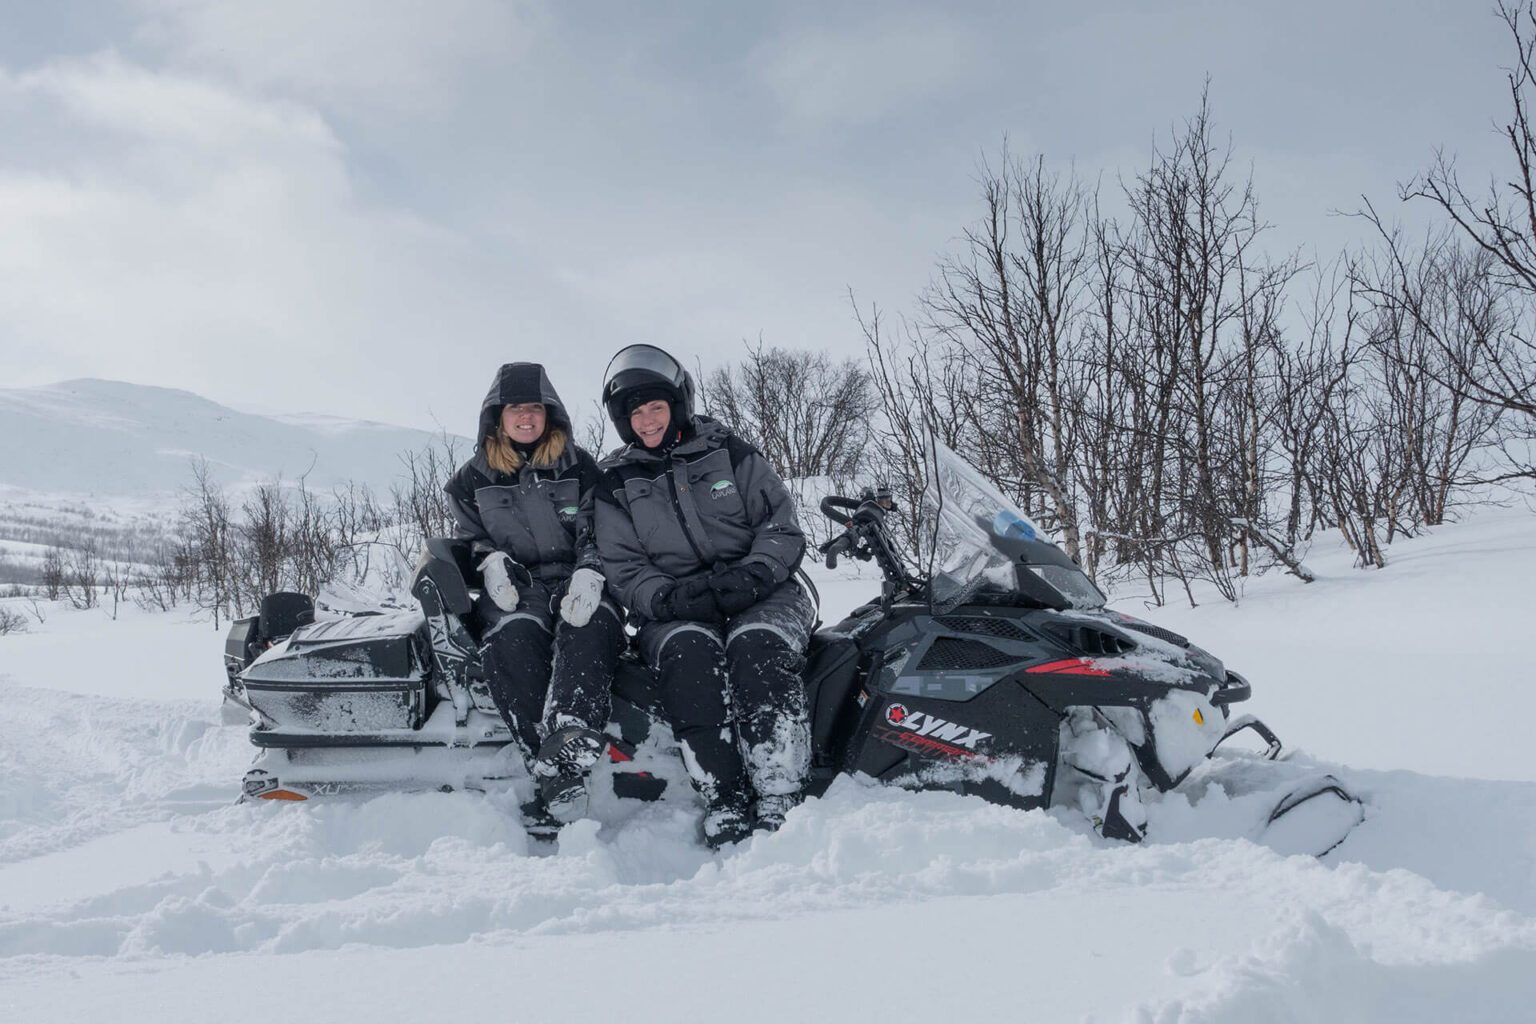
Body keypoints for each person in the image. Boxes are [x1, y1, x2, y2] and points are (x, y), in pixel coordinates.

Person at [593, 344, 814, 848]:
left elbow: (780, 525)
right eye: (636, 413)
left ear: (678, 404)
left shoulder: (730, 452)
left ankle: (778, 791)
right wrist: (668, 600)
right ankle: (725, 795)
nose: (647, 421)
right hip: (675, 608)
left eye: (656, 407)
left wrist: (756, 573)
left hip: (764, 592)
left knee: (756, 646)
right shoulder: (615, 482)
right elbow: (623, 566)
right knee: (690, 656)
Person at [444, 363, 621, 839]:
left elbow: (601, 528)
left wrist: (591, 569)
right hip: (515, 589)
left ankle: (569, 733)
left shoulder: (579, 466)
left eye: (535, 408)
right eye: (516, 409)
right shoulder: (470, 479)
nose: (526, 417)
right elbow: (470, 537)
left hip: (578, 577)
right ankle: (552, 772)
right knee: (512, 639)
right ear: (497, 416)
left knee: (588, 626)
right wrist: (488, 561)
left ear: (550, 414)